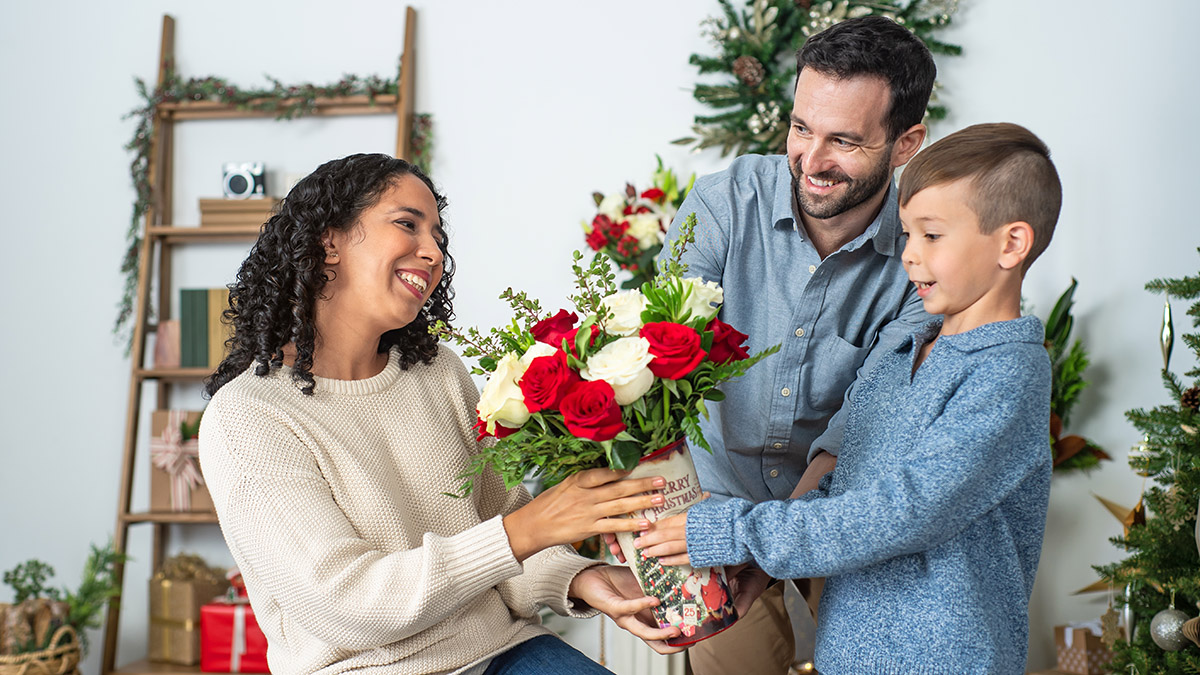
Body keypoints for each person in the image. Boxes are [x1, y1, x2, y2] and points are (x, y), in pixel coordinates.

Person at [198, 153, 679, 675]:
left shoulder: (438, 373)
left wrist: (581, 578)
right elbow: (346, 604)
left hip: (504, 651)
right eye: (407, 224)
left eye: (438, 237)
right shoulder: (247, 416)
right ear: (328, 241)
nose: (432, 253)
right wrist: (524, 530)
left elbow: (503, 531)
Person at [638, 122, 1061, 673]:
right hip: (848, 655)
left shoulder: (1008, 372)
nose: (909, 257)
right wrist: (758, 563)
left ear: (1012, 244)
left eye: (932, 236)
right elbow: (844, 484)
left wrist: (732, 533)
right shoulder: (904, 351)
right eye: (906, 234)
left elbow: (906, 511)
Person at [639, 15, 938, 673]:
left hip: (840, 514)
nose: (812, 159)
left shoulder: (924, 256)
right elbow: (661, 361)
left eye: (845, 141)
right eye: (802, 128)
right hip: (714, 503)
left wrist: (775, 543)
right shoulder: (721, 204)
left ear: (906, 143)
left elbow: (862, 426)